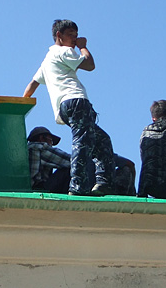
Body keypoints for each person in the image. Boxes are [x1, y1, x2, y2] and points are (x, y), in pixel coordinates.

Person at [23, 20, 115, 196]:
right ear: (59, 36)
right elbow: (89, 65)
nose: (75, 38)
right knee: (82, 143)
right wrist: (83, 47)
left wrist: (22, 102)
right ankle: (78, 186)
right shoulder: (64, 51)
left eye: (76, 35)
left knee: (102, 140)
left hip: (64, 109)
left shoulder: (47, 60)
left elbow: (32, 85)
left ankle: (104, 182)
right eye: (71, 35)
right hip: (76, 101)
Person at [27, 126, 137, 196]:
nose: (51, 144)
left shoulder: (31, 149)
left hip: (39, 187)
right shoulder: (39, 147)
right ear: (42, 138)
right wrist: (108, 159)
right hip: (40, 189)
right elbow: (75, 160)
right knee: (76, 167)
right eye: (51, 140)